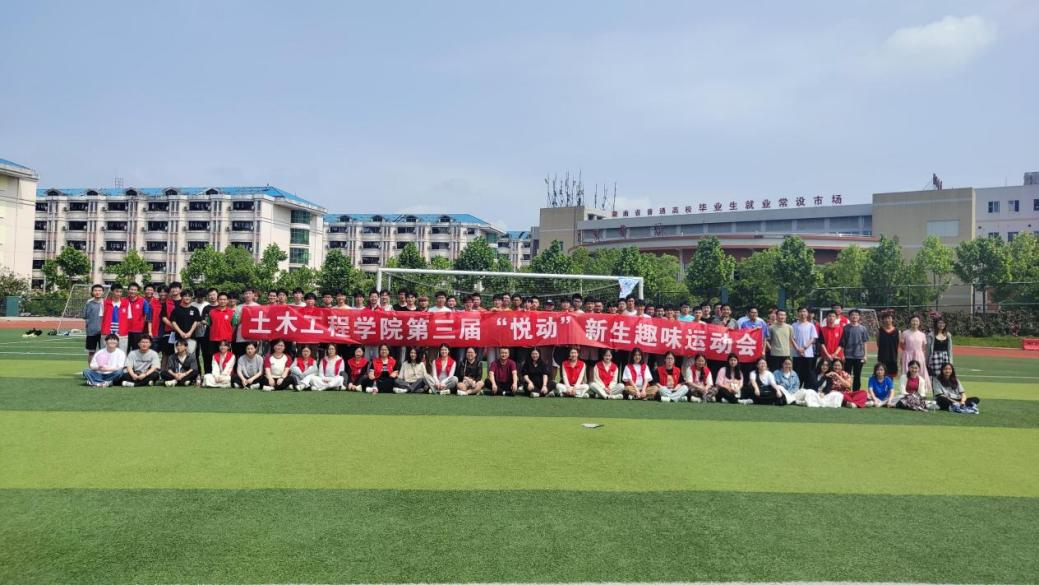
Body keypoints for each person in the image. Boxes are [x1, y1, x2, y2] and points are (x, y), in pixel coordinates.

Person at [840, 309, 869, 391]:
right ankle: (847, 392)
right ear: (849, 317)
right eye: (852, 315)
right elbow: (843, 343)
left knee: (857, 375)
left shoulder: (863, 328)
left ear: (859, 317)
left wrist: (865, 355)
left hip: (859, 356)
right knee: (846, 375)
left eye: (856, 315)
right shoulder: (845, 328)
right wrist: (842, 354)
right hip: (848, 356)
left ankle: (856, 392)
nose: (854, 316)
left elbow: (865, 342)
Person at [169, 290, 202, 357]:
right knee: (179, 357)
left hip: (191, 337)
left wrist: (190, 332)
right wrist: (181, 332)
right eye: (185, 296)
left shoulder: (195, 309)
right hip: (179, 338)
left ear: (191, 297)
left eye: (189, 296)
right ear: (181, 297)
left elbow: (196, 321)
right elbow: (173, 322)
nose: (187, 298)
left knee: (191, 357)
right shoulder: (176, 310)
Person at [791, 306, 818, 385]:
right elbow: (792, 338)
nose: (802, 313)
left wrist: (804, 348)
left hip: (808, 354)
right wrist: (798, 349)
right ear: (798, 313)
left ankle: (807, 389)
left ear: (807, 313)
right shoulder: (794, 325)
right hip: (796, 354)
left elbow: (813, 338)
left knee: (808, 373)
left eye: (804, 311)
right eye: (801, 311)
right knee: (796, 373)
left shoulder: (811, 325)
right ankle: (796, 388)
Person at [900, 316, 930, 384]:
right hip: (907, 355)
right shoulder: (905, 333)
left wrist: (920, 354)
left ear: (919, 323)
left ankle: (921, 387)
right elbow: (901, 345)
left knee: (920, 371)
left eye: (916, 321)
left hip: (919, 356)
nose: (915, 323)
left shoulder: (922, 334)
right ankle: (907, 386)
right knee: (907, 371)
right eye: (913, 321)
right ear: (910, 322)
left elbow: (924, 347)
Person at [100, 283, 127, 352]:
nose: (119, 294)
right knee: (105, 353)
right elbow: (101, 318)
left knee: (122, 354)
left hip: (122, 334)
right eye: (117, 291)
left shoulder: (126, 303)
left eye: (120, 292)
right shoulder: (104, 303)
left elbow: (128, 319)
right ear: (112, 291)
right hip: (106, 332)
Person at [83, 284, 105, 365]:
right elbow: (85, 316)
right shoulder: (89, 303)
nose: (97, 292)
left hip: (104, 332)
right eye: (95, 290)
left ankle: (103, 369)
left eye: (99, 290)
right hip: (91, 331)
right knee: (91, 352)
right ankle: (91, 369)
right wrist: (88, 326)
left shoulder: (106, 303)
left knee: (104, 352)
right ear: (92, 292)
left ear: (103, 292)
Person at [876, 311, 900, 378]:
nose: (887, 320)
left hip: (893, 357)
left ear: (892, 319)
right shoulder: (879, 331)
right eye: (885, 318)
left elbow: (898, 345)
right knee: (881, 376)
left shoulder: (897, 331)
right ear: (883, 320)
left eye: (889, 318)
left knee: (891, 377)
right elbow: (878, 344)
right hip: (882, 357)